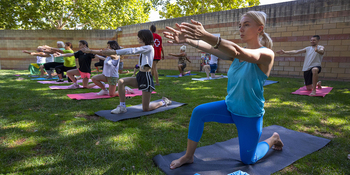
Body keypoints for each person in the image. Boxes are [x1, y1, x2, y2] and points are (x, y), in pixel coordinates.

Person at [163, 11, 283, 169]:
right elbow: (213, 49)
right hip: (230, 107)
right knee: (199, 112)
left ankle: (273, 138)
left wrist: (205, 34)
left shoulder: (266, 54)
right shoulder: (236, 53)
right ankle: (188, 156)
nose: (241, 29)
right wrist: (188, 40)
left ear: (260, 29)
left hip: (249, 114)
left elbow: (238, 52)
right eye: (240, 25)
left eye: (246, 25)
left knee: (248, 160)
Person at [83, 29, 171, 114]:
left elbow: (132, 51)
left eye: (139, 36)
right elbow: (124, 50)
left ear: (144, 37)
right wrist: (91, 51)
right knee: (121, 81)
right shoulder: (144, 48)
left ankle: (163, 102)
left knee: (146, 108)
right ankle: (122, 107)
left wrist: (114, 51)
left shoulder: (148, 48)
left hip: (146, 77)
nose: (137, 38)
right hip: (140, 75)